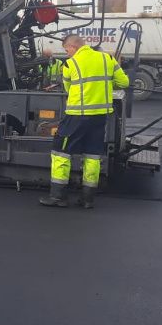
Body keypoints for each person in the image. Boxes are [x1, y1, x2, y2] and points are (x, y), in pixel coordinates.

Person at [40, 35, 129, 209]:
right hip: (100, 116)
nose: (67, 54)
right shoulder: (107, 58)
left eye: (67, 51)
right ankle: (87, 199)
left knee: (61, 153)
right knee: (93, 155)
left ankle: (58, 197)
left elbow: (68, 88)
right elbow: (123, 82)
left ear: (72, 47)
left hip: (76, 116)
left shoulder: (70, 64)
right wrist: (104, 85)